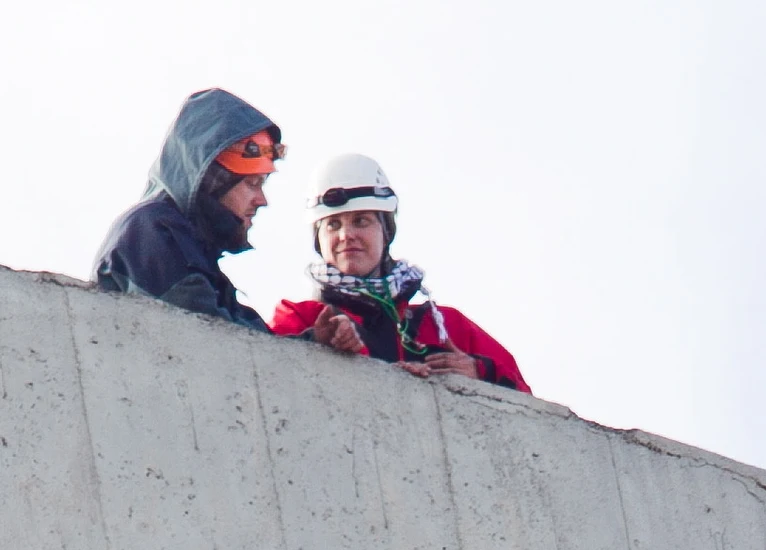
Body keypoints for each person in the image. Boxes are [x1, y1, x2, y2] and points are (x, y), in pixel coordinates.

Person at [270, 155, 530, 392]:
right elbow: (262, 383)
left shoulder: (446, 328)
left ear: (386, 231)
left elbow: (529, 406)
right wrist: (315, 343)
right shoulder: (300, 318)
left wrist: (479, 372)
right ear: (318, 239)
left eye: (361, 220)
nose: (346, 235)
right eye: (332, 224)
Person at [95, 89, 284, 331]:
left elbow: (256, 340)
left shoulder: (193, 251)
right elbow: (210, 335)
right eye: (253, 184)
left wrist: (312, 341)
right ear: (215, 179)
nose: (262, 200)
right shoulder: (152, 232)